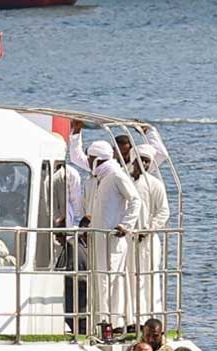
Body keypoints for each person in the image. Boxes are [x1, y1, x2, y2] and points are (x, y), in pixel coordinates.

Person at [84, 140, 141, 329]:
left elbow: (135, 200)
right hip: (99, 237)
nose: (89, 161)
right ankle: (104, 320)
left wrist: (125, 225)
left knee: (112, 280)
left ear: (98, 159)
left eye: (91, 158)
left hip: (113, 239)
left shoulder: (116, 175)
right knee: (102, 279)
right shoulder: (102, 177)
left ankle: (114, 322)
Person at [128, 144, 170, 325]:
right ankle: (131, 319)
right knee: (129, 278)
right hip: (128, 238)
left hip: (148, 240)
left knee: (148, 278)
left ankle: (150, 319)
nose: (143, 164)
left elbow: (163, 211)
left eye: (147, 161)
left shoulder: (155, 185)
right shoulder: (127, 181)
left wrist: (148, 229)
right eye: (140, 159)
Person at [53, 217, 88, 335]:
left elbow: (73, 275)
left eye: (58, 234)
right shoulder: (74, 246)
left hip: (76, 304)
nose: (57, 239)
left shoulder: (72, 247)